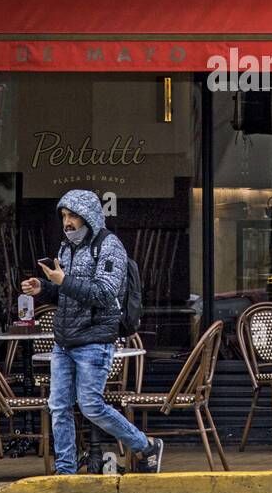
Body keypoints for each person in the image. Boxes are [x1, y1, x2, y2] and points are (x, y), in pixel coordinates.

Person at [20, 188, 164, 474]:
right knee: (58, 407)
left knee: (90, 406)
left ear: (89, 216)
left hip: (95, 340)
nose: (67, 222)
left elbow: (105, 292)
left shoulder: (109, 246)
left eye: (73, 215)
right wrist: (44, 288)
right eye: (64, 216)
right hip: (65, 341)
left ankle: (146, 446)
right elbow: (67, 293)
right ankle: (65, 470)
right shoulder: (66, 247)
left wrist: (63, 281)